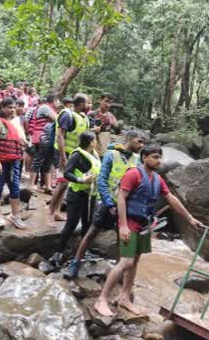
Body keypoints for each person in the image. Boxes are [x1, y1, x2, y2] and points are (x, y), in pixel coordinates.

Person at [93, 144, 201, 317]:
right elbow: (121, 198)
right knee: (126, 262)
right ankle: (102, 300)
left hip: (144, 225)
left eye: (160, 157)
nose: (159, 161)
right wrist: (122, 225)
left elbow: (171, 199)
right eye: (155, 157)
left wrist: (189, 218)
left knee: (135, 262)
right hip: (129, 224)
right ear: (144, 157)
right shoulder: (133, 174)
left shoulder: (157, 179)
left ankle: (125, 297)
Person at [65, 131, 144, 279]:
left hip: (125, 206)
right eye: (139, 141)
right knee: (91, 233)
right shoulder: (111, 155)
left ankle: (119, 273)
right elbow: (101, 180)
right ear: (129, 139)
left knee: (123, 239)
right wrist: (109, 203)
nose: (141, 145)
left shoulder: (137, 160)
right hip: (107, 203)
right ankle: (75, 263)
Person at [0, 98, 28, 230]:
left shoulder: (13, 123)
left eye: (14, 108)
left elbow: (17, 139)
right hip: (0, 160)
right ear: (2, 108)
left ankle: (14, 215)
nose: (13, 110)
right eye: (10, 107)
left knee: (15, 187)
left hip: (13, 160)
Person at [48, 93, 90, 224]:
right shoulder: (67, 115)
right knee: (63, 183)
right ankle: (51, 211)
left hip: (73, 154)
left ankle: (56, 212)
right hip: (62, 153)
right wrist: (63, 157)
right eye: (88, 103)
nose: (89, 105)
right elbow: (60, 136)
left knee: (64, 184)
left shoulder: (83, 117)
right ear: (82, 104)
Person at [57, 132, 100, 252]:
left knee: (88, 224)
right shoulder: (77, 155)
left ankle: (83, 252)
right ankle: (59, 252)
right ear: (91, 142)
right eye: (95, 140)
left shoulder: (94, 155)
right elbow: (67, 173)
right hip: (76, 195)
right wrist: (81, 180)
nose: (96, 142)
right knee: (71, 225)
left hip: (91, 195)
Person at [27, 93, 59, 191]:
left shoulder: (51, 109)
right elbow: (57, 119)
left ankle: (47, 186)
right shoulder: (45, 107)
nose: (59, 103)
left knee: (48, 162)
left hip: (49, 138)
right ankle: (31, 185)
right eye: (58, 101)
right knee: (38, 160)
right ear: (53, 100)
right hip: (42, 137)